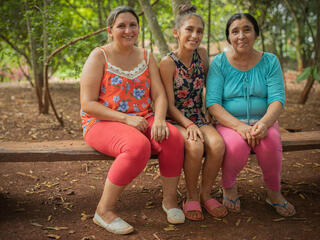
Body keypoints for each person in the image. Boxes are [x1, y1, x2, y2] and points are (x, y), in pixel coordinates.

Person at [80, 6, 185, 235]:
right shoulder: (99, 56)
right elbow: (88, 104)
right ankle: (104, 211)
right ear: (110, 30)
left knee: (173, 137)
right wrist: (126, 119)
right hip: (102, 121)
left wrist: (158, 120)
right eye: (121, 26)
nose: (128, 30)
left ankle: (170, 202)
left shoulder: (146, 56)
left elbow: (158, 95)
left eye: (133, 25)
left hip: (143, 118)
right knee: (138, 146)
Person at [206, 13, 296, 217]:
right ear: (229, 37)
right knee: (236, 146)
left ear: (256, 33)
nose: (241, 35)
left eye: (247, 29)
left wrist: (264, 124)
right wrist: (239, 127)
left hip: (264, 121)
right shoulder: (219, 63)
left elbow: (277, 99)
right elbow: (213, 103)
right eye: (234, 31)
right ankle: (229, 187)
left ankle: (274, 193)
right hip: (229, 123)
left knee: (270, 143)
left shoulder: (270, 61)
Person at [160, 4, 227, 221]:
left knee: (217, 144)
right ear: (177, 32)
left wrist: (210, 110)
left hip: (198, 116)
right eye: (189, 30)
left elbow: (209, 85)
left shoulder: (203, 54)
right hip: (175, 119)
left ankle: (205, 194)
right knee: (195, 146)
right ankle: (190, 196)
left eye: (199, 31)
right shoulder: (168, 63)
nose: (195, 35)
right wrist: (188, 125)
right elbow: (168, 104)